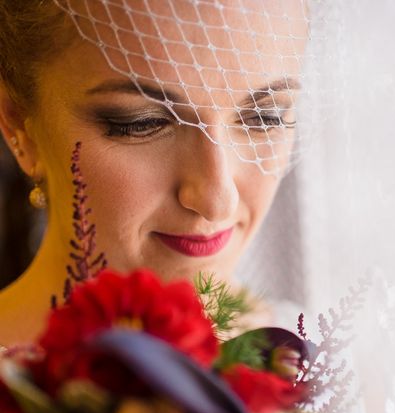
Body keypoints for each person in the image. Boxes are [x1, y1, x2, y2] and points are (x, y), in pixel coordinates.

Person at [0, 1, 309, 345]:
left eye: (264, 118)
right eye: (142, 123)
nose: (217, 201)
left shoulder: (322, 367)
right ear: (19, 125)